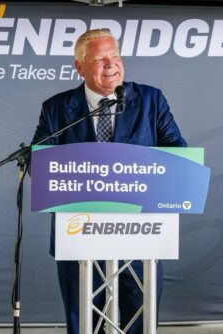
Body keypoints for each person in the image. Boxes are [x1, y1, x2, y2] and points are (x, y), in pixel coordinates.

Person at [32, 28, 186, 334]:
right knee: (83, 319)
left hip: (140, 230)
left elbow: (177, 154)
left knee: (139, 315)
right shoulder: (57, 108)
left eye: (115, 56)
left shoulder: (151, 100)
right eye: (101, 59)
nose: (111, 64)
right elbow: (41, 166)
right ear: (80, 67)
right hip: (78, 230)